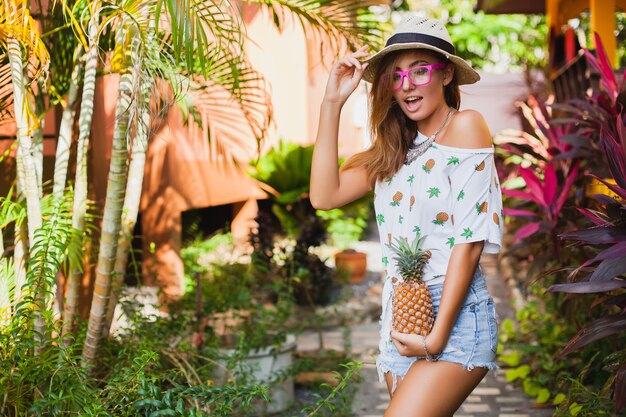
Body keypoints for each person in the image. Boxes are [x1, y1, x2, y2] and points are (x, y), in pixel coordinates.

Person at [310, 15, 503, 417]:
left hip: (454, 313)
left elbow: (469, 245)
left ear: (446, 73)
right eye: (396, 76)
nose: (407, 85)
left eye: (420, 71)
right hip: (401, 310)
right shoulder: (393, 151)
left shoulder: (466, 126)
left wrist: (435, 339)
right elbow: (324, 195)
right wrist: (332, 103)